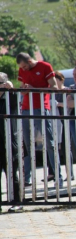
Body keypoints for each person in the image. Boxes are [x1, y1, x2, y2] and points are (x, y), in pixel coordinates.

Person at [16, 52, 62, 187]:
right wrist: (23, 90)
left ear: (30, 61)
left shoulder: (45, 66)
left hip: (41, 108)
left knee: (50, 143)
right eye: (21, 67)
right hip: (25, 108)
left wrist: (34, 89)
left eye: (25, 66)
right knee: (27, 144)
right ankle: (27, 178)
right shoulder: (22, 70)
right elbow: (22, 86)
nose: (23, 69)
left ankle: (58, 177)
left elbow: (54, 88)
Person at [0, 72, 23, 212]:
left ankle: (17, 202)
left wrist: (11, 89)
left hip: (9, 141)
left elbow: (15, 100)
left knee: (12, 172)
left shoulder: (9, 98)